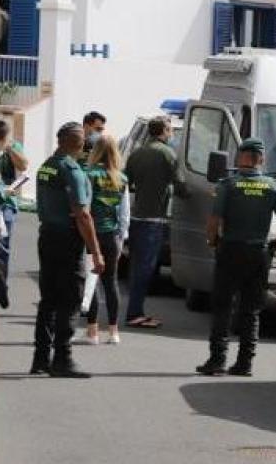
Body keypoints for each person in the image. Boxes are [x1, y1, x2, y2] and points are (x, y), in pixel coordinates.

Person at [196, 138, 276, 377]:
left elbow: (214, 221)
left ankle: (217, 360)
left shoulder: (229, 185)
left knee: (222, 306)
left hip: (231, 249)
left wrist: (212, 241)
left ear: (241, 157)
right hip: (259, 253)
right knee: (251, 311)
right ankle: (245, 363)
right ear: (261, 159)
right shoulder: (272, 186)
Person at [32, 121, 105, 379]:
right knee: (70, 300)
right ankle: (63, 358)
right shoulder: (71, 170)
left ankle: (40, 358)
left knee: (48, 299)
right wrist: (95, 251)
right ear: (79, 142)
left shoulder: (47, 166)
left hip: (47, 235)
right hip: (67, 240)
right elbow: (83, 215)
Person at [123, 117, 186, 329]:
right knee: (145, 269)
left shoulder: (137, 153)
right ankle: (134, 314)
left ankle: (135, 311)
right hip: (154, 219)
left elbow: (126, 182)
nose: (172, 134)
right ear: (165, 131)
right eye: (171, 130)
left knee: (136, 267)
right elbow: (181, 185)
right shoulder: (168, 154)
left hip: (136, 217)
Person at [82, 134, 130, 345]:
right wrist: (121, 238)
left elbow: (86, 206)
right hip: (112, 235)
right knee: (110, 282)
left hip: (92, 234)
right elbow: (125, 213)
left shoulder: (89, 174)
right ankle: (113, 331)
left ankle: (92, 331)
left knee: (91, 280)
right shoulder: (121, 178)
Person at [0, 118, 29, 281]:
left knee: (3, 244)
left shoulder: (13, 146)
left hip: (7, 202)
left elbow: (23, 165)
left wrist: (8, 148)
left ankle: (0, 281)